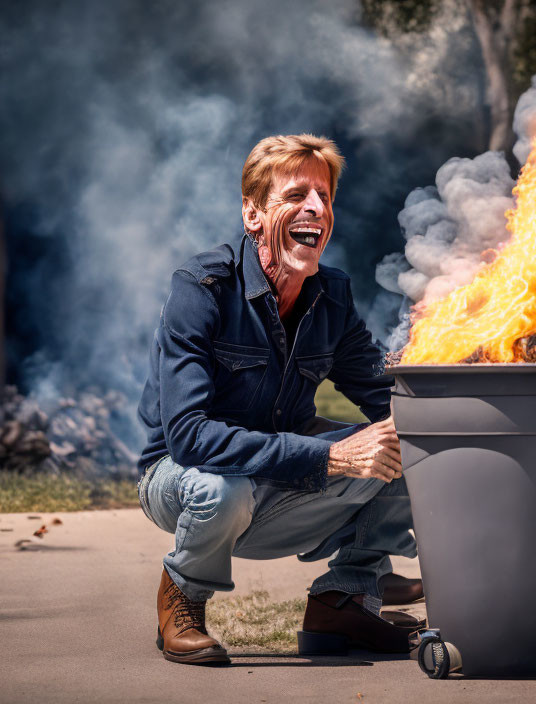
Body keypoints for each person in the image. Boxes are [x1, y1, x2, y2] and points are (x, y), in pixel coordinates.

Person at [136, 134, 421, 666]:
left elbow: (384, 393)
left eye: (325, 197)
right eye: (296, 196)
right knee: (223, 488)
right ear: (253, 214)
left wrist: (457, 378)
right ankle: (182, 599)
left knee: (406, 442)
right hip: (182, 478)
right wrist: (331, 456)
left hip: (280, 473)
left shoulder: (330, 295)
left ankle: (346, 600)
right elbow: (189, 437)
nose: (316, 208)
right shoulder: (201, 289)